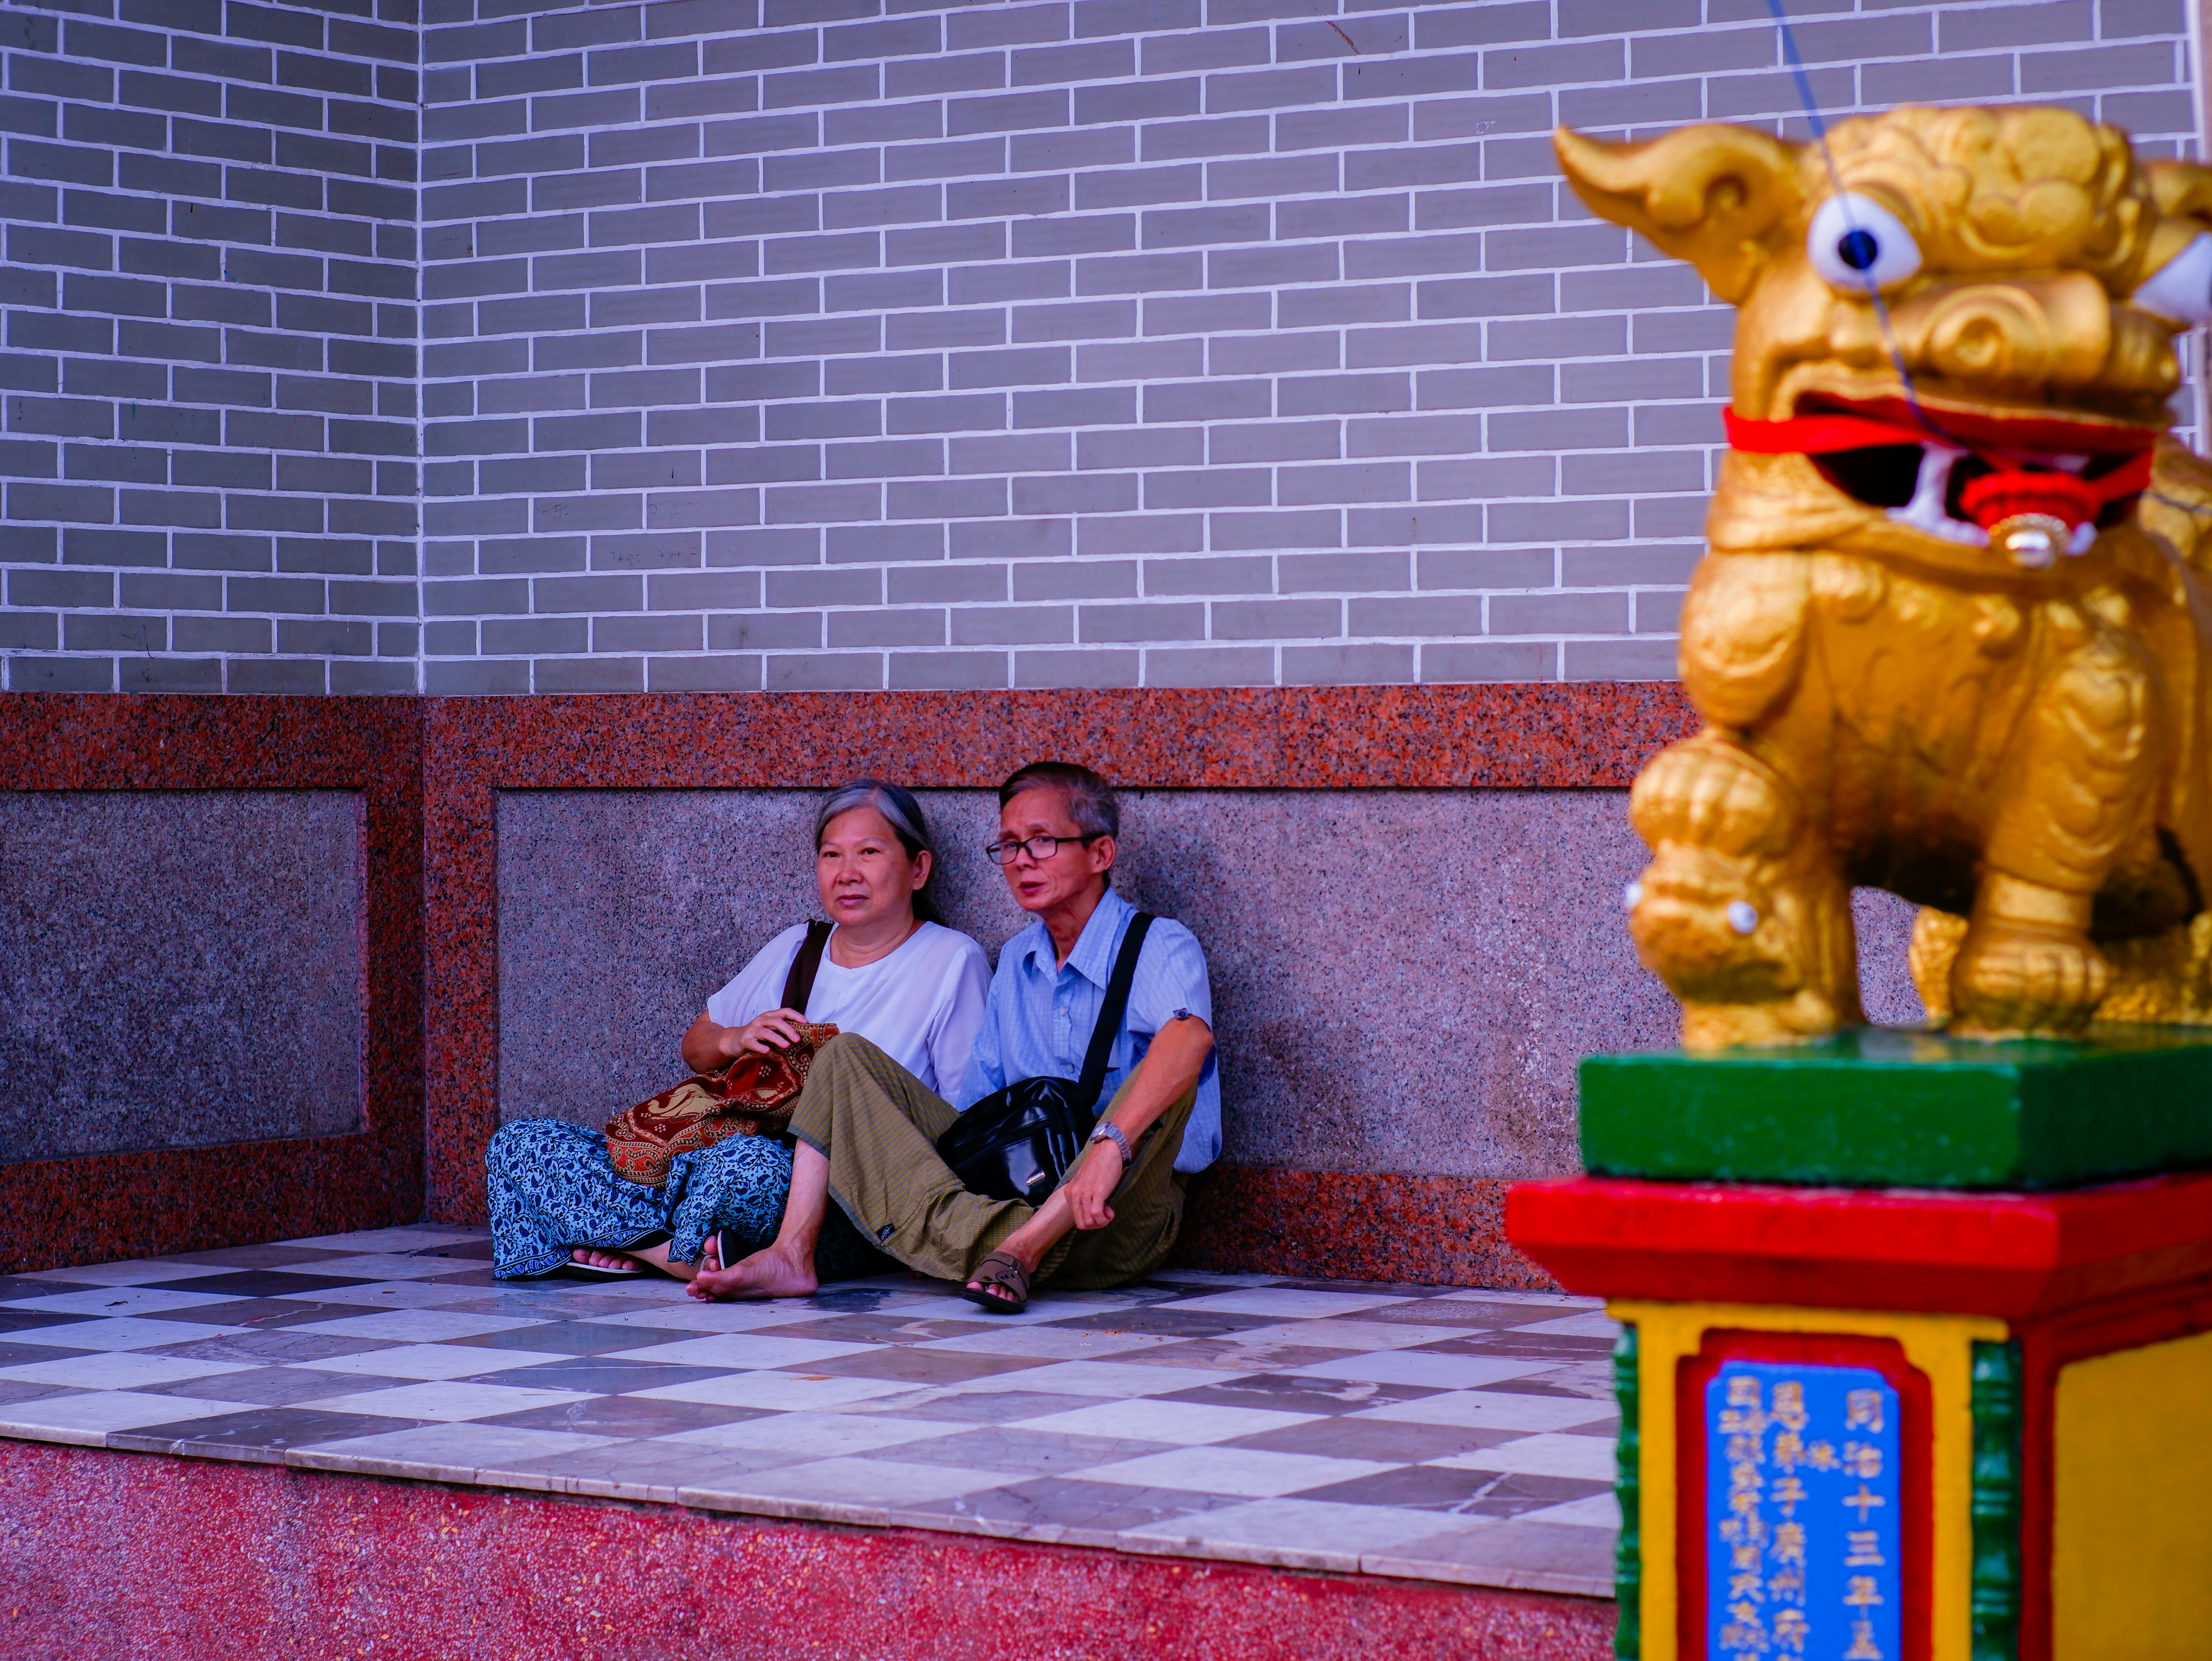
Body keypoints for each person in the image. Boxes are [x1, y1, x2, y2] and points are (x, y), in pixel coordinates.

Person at [690, 760, 1219, 1313]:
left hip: (1114, 1215)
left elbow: (1189, 1043)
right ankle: (794, 1255)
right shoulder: (1017, 960)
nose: (1021, 862)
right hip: (1016, 1201)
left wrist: (1109, 1151)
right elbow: (974, 1121)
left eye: (1042, 843)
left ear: (1101, 854)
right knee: (841, 1055)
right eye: (1010, 846)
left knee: (1173, 1053)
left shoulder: (1160, 943)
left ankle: (1011, 1246)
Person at [484, 780, 991, 1283]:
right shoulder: (799, 946)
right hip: (707, 1154)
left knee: (743, 1168)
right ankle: (666, 1251)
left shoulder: (950, 959)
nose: (847, 874)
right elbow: (696, 1044)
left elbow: (963, 1122)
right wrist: (737, 1038)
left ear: (918, 868)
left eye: (869, 853)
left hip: (839, 1203)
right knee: (521, 1145)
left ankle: (631, 1240)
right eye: (832, 855)